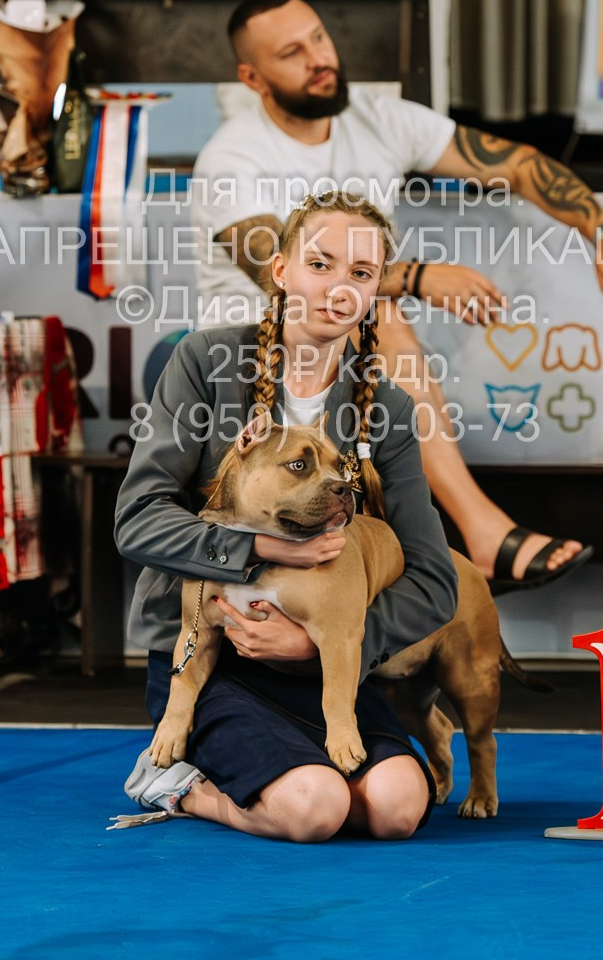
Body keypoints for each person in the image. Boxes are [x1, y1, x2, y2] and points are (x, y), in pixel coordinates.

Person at [193, 0, 603, 593]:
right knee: (370, 312)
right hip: (250, 350)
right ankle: (482, 532)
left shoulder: (379, 119)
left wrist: (601, 228)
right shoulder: (232, 159)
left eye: (320, 39)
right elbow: (294, 278)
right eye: (293, 52)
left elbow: (512, 164)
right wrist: (424, 276)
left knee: (372, 317)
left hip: (349, 343)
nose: (319, 58)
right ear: (253, 77)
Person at [117, 191, 457, 841]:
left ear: (376, 289)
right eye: (320, 263)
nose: (337, 287)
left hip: (324, 668)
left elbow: (434, 582)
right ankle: (176, 785)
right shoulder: (204, 364)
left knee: (396, 807)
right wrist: (259, 550)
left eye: (360, 273)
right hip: (209, 658)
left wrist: (318, 643)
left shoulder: (385, 408)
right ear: (281, 270)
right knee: (314, 807)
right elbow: (138, 519)